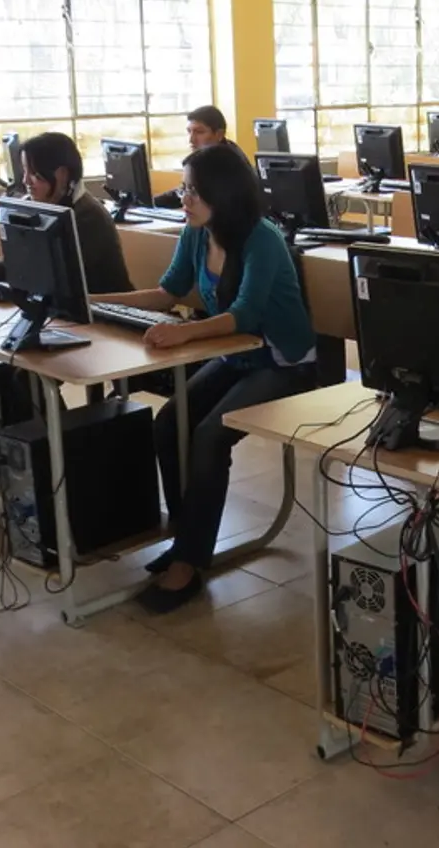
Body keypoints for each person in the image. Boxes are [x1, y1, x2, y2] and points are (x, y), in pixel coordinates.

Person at [91, 142, 318, 614]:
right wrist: (93, 302)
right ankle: (186, 537)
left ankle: (190, 561)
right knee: (168, 425)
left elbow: (246, 314)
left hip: (283, 362)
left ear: (224, 193)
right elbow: (167, 291)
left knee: (210, 436)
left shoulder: (263, 239)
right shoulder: (196, 233)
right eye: (184, 187)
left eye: (193, 190)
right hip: (236, 357)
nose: (183, 198)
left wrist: (184, 332)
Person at [0, 131, 132, 294]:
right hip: (65, 312)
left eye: (34, 174)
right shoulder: (43, 206)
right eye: (24, 172)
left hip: (105, 313)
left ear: (62, 174)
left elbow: (48, 274)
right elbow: (14, 263)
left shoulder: (88, 217)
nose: (26, 181)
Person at [153, 105, 238, 210]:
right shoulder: (205, 158)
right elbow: (182, 192)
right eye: (189, 131)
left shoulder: (228, 163)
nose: (191, 140)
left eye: (199, 132)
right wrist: (151, 203)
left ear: (219, 134)